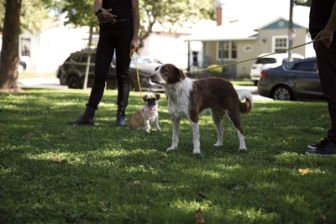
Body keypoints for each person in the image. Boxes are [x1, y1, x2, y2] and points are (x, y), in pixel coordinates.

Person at [70, 0, 140, 126]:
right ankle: (89, 115)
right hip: (106, 31)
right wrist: (100, 12)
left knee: (122, 74)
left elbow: (135, 11)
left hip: (125, 31)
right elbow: (97, 5)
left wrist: (135, 38)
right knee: (100, 74)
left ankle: (120, 115)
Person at [306, 0, 336, 155]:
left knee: (333, 92)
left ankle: (335, 141)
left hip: (329, 39)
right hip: (324, 38)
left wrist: (329, 30)